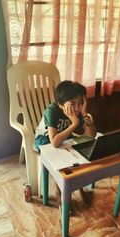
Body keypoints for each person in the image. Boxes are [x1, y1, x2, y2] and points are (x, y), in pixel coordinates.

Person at [35, 80, 97, 210]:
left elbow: (90, 135)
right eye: (73, 104)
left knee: (79, 155)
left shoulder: (78, 111)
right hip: (45, 140)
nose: (77, 108)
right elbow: (55, 142)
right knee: (62, 162)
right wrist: (74, 124)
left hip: (64, 137)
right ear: (60, 104)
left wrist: (85, 113)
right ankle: (60, 191)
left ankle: (78, 186)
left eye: (81, 103)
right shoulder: (51, 111)